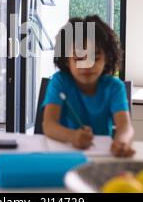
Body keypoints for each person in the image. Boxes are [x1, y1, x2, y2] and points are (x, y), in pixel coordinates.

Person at [41, 15, 135, 157]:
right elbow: (49, 125)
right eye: (79, 58)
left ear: (107, 59)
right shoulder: (59, 82)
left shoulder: (114, 87)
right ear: (67, 60)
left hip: (101, 156)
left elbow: (125, 127)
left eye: (95, 58)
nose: (87, 65)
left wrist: (121, 142)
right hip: (63, 155)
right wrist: (72, 136)